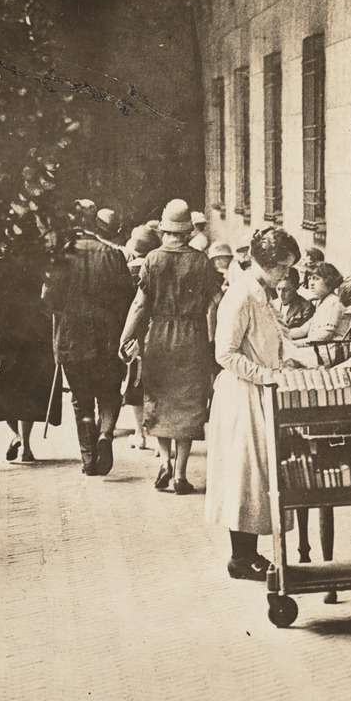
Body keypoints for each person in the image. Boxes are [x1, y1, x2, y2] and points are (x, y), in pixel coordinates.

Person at [204, 227, 302, 580]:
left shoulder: (262, 292)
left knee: (254, 475)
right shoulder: (242, 295)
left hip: (258, 390)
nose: (286, 275)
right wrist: (266, 375)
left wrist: (293, 361)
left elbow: (274, 337)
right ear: (265, 263)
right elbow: (224, 353)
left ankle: (247, 554)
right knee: (244, 475)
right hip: (241, 394)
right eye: (282, 268)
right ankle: (241, 557)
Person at [119, 200, 216, 495]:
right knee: (187, 405)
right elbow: (214, 304)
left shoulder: (152, 260)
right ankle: (181, 474)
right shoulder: (202, 262)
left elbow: (139, 304)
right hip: (193, 339)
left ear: (164, 229)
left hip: (159, 336)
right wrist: (211, 340)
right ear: (187, 231)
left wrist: (125, 338)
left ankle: (165, 461)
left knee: (159, 401)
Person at [42, 198, 134, 476]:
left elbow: (47, 300)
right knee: (108, 394)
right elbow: (129, 299)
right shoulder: (113, 255)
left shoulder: (61, 258)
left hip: (72, 338)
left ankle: (88, 460)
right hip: (108, 339)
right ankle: (106, 435)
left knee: (81, 400)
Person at [0, 246, 62, 462]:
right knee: (29, 386)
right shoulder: (39, 261)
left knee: (3, 384)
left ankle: (16, 436)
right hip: (35, 331)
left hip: (4, 331)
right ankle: (26, 446)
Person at [122, 225, 161, 450]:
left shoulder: (128, 270)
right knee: (156, 383)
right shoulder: (159, 266)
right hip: (157, 329)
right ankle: (157, 435)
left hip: (136, 330)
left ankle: (139, 432)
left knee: (134, 383)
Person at [287, 262, 348, 345]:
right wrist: (280, 334)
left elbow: (325, 335)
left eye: (316, 278)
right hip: (319, 348)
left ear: (329, 280)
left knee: (287, 356)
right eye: (309, 278)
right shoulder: (323, 302)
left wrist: (295, 344)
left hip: (331, 350)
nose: (311, 283)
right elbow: (303, 330)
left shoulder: (334, 302)